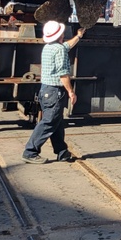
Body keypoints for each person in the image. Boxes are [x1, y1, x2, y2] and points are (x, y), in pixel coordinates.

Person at [22, 20, 85, 164]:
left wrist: (78, 36)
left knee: (56, 122)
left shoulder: (49, 47)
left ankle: (62, 152)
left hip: (46, 90)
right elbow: (63, 75)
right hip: (55, 91)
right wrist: (71, 92)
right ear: (60, 34)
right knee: (49, 122)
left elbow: (65, 46)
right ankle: (30, 151)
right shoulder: (59, 50)